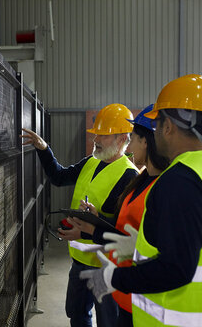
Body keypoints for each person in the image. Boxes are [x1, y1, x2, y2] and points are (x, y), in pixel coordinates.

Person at [79, 74, 202, 327]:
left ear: (168, 127)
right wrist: (140, 245)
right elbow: (197, 244)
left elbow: (176, 270)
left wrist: (114, 278)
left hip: (174, 319)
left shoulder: (178, 181)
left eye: (158, 124)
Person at [21, 103, 139, 327]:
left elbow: (123, 230)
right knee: (77, 315)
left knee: (108, 321)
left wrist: (93, 224)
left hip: (106, 266)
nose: (96, 140)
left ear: (122, 139)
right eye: (96, 134)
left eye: (103, 136)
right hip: (79, 261)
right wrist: (43, 148)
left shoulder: (129, 176)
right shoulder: (91, 162)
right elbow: (58, 177)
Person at [67, 104, 169, 327]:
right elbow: (122, 230)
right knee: (82, 313)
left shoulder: (154, 185)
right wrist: (91, 226)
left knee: (107, 319)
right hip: (120, 278)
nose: (129, 145)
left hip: (133, 286)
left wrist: (93, 230)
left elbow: (141, 242)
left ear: (147, 141)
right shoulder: (141, 181)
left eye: (132, 139)